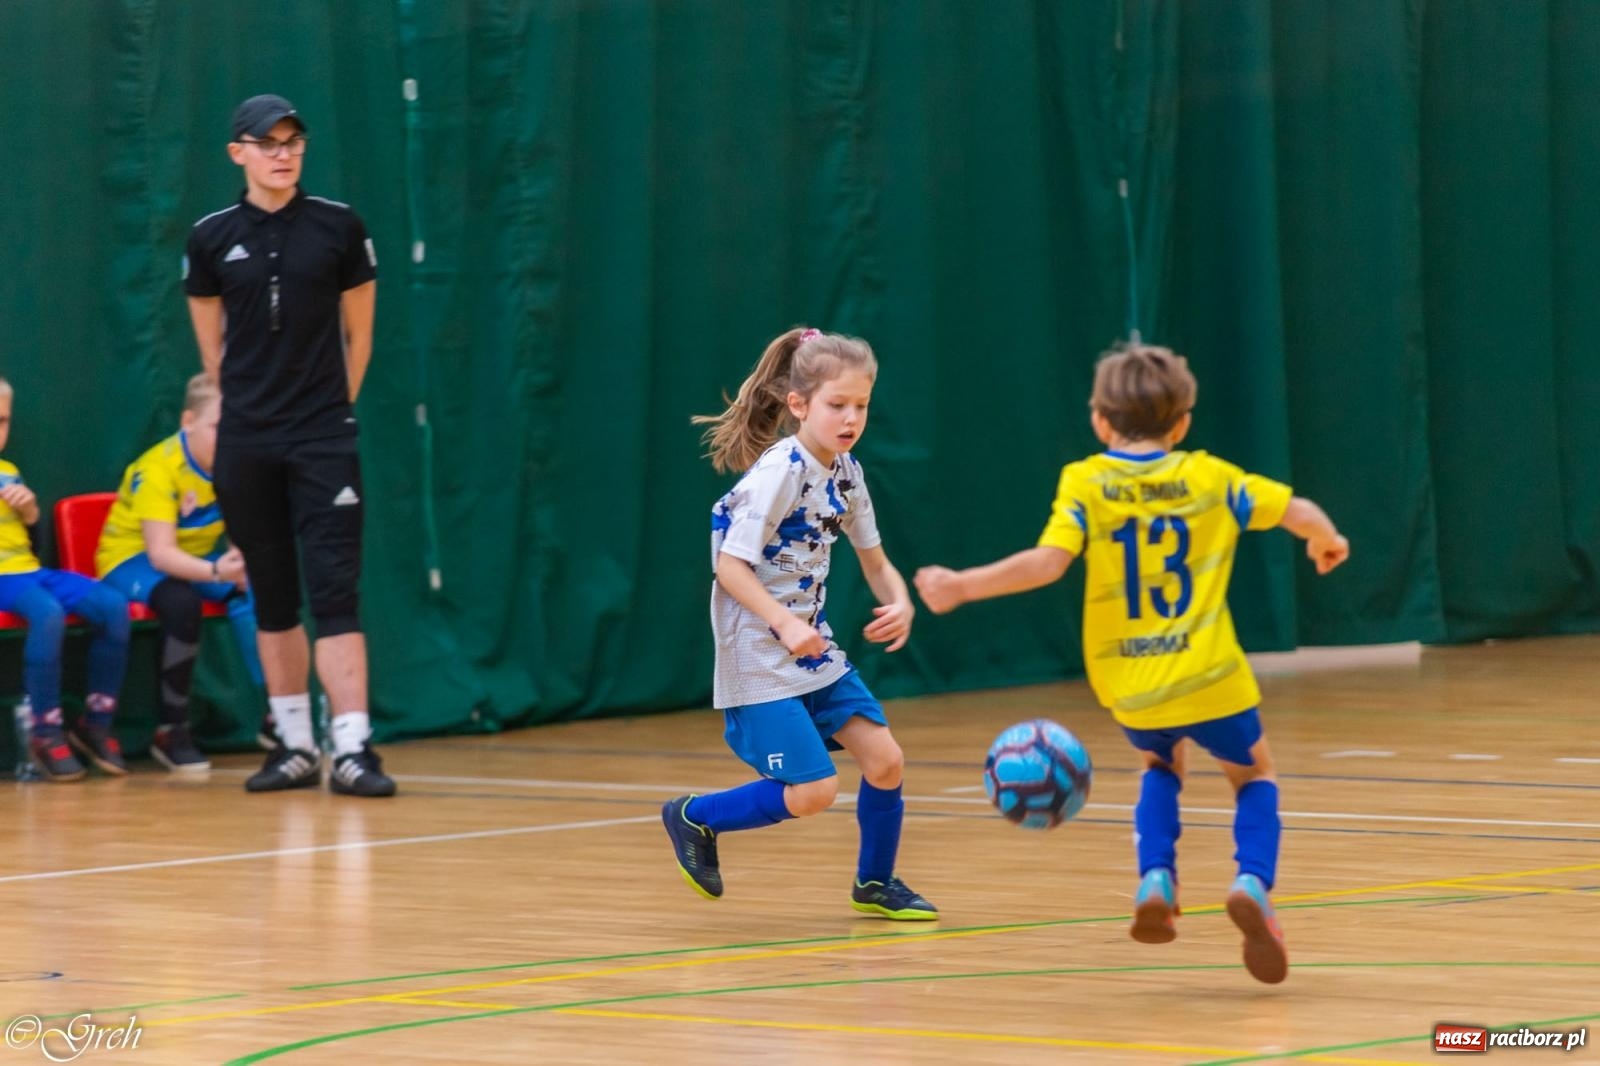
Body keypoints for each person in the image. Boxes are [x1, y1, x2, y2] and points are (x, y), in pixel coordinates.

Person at [914, 343, 1350, 982]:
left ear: (1099, 420)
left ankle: (1156, 879)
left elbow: (1048, 563)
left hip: (1129, 683)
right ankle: (1253, 883)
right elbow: (1299, 511)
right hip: (1210, 676)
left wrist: (961, 586)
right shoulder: (1211, 477)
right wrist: (1327, 539)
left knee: (1159, 762)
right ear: (1182, 423)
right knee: (1253, 774)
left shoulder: (1086, 482)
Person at [661, 327, 935, 920]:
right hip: (759, 652)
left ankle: (875, 883)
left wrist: (900, 600)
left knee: (886, 760)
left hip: (812, 649)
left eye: (861, 405)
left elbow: (878, 563)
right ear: (799, 404)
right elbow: (730, 567)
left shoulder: (847, 474)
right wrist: (784, 623)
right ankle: (694, 816)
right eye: (837, 405)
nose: (851, 417)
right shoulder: (780, 471)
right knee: (814, 792)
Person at [183, 94, 393, 797]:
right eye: (267, 143)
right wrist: (250, 409)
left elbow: (359, 336)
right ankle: (295, 744)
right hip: (247, 440)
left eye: (293, 142)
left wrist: (329, 409)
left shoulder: (338, 227)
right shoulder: (211, 238)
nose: (283, 153)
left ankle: (355, 748)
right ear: (237, 152)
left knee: (336, 594)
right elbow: (212, 347)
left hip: (323, 437)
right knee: (271, 594)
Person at [97, 373, 267, 772]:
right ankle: (171, 730)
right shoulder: (158, 469)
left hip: (195, 559)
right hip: (130, 560)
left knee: (256, 592)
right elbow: (160, 556)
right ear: (188, 421)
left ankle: (276, 711)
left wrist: (241, 565)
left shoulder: (238, 463)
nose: (229, 438)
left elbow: (245, 532)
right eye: (218, 428)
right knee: (181, 603)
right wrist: (216, 571)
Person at [0, 377, 132, 781]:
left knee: (112, 605)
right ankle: (45, 729)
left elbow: (31, 550)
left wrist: (31, 514)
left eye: (3, 421)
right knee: (48, 613)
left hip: (28, 572)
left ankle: (95, 722)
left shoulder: (9, 471)